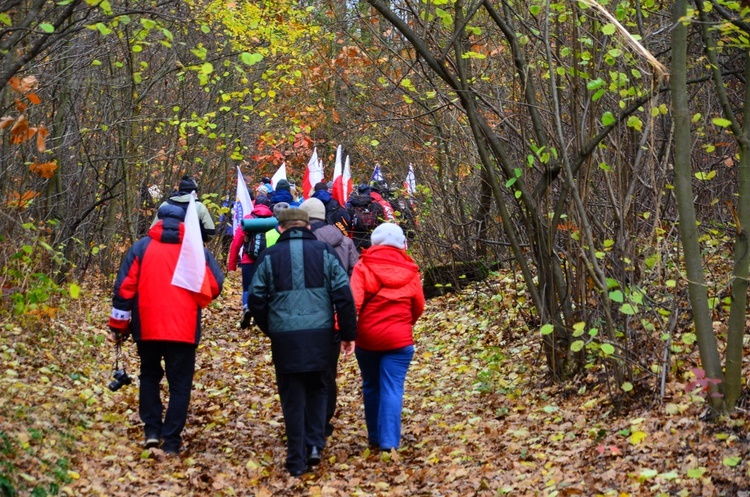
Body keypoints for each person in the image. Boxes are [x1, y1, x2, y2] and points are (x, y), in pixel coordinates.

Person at [248, 208, 357, 477]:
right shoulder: (325, 253)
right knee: (319, 388)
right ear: (307, 226)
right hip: (320, 334)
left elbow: (256, 299)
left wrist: (271, 327)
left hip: (285, 337)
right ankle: (315, 446)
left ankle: (295, 458)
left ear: (281, 229)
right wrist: (347, 333)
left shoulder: (269, 255)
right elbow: (343, 295)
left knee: (292, 395)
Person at [109, 202, 224, 454]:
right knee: (180, 385)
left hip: (147, 326)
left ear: (158, 220)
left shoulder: (141, 247)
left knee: (149, 376)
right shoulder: (195, 250)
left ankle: (151, 431)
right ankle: (171, 440)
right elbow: (215, 284)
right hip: (183, 328)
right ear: (185, 222)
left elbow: (124, 288)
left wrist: (118, 325)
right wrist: (195, 298)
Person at [350, 223, 424, 451]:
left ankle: (374, 436)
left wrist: (345, 331)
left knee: (371, 385)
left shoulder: (363, 266)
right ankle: (389, 442)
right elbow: (418, 306)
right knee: (393, 388)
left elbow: (354, 303)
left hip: (367, 338)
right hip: (400, 340)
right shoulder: (411, 269)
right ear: (402, 243)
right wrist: (405, 325)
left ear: (375, 242)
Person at [299, 197, 359, 437]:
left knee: (303, 369)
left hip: (308, 311)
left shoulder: (304, 242)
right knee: (328, 373)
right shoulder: (345, 241)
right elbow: (355, 273)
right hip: (336, 311)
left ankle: (306, 419)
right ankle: (323, 419)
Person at [227, 203, 276, 329]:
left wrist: (232, 265)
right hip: (265, 260)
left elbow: (236, 244)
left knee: (247, 288)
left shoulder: (248, 220)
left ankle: (247, 308)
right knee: (265, 287)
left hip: (248, 260)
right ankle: (261, 314)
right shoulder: (273, 222)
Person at [152, 175, 216, 242]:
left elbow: (153, 228)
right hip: (191, 246)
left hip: (164, 245)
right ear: (194, 192)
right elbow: (210, 232)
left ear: (179, 190)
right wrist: (200, 241)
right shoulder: (199, 206)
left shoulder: (165, 204)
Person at [347, 184, 385, 252]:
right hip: (372, 237)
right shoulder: (376, 205)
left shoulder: (351, 205)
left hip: (356, 238)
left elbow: (348, 222)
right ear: (369, 192)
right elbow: (382, 223)